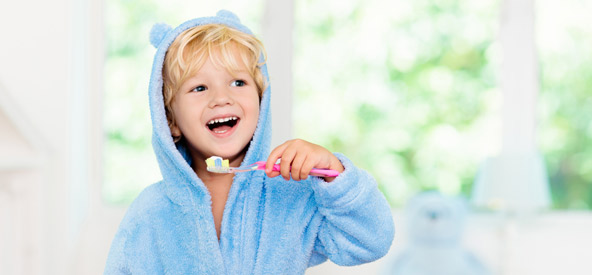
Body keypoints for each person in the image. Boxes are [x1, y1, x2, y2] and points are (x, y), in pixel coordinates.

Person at [104, 10, 394, 274]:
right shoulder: (151, 213)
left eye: (238, 82)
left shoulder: (291, 194)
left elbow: (370, 241)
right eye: (199, 87)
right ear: (171, 121)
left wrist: (336, 179)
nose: (221, 98)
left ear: (261, 99)